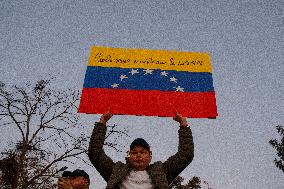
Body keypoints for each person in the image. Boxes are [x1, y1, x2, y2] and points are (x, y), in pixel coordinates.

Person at [88, 112, 194, 188]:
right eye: (134, 152)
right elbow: (95, 154)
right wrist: (102, 122)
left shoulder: (162, 171)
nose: (138, 155)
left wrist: (184, 124)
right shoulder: (115, 170)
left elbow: (185, 155)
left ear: (150, 155)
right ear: (128, 155)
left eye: (142, 152)